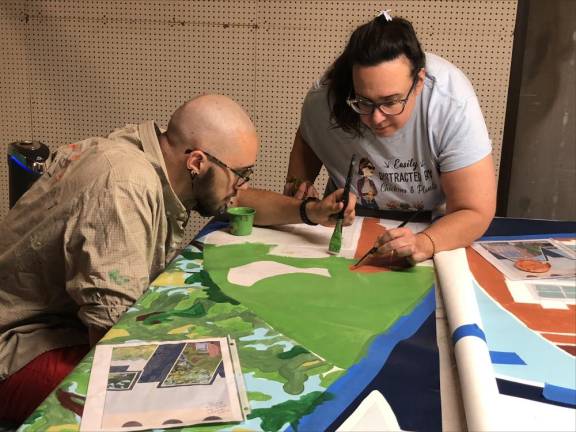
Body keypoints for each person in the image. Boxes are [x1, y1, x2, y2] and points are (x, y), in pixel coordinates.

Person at [0, 94, 356, 424]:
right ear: (198, 161)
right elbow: (115, 348)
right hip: (18, 346)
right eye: (241, 174)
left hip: (63, 323)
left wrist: (310, 211)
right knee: (172, 405)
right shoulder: (126, 185)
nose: (242, 186)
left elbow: (235, 201)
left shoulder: (160, 156)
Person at [284, 11, 496, 263]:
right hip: (350, 224)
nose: (376, 118)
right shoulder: (324, 100)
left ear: (419, 82)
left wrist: (424, 243)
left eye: (391, 101)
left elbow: (474, 210)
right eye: (364, 102)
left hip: (432, 223)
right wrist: (301, 190)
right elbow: (308, 139)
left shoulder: (450, 101)